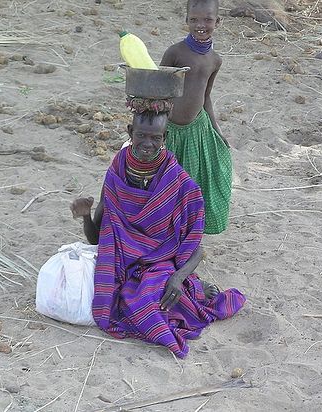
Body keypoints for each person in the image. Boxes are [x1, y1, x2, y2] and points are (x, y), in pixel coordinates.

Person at [71, 109, 245, 358]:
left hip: (163, 261)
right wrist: (86, 216)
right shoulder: (117, 172)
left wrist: (178, 277)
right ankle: (190, 290)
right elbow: (99, 240)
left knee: (153, 298)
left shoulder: (178, 181)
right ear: (130, 133)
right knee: (120, 298)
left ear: (166, 137)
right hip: (125, 263)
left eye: (156, 138)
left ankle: (189, 288)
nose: (148, 144)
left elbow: (196, 248)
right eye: (142, 135)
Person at [160, 0, 232, 235]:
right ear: (186, 21)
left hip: (196, 130)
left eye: (208, 19)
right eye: (194, 19)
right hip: (170, 131)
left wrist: (217, 131)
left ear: (218, 22)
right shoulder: (175, 53)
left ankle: (188, 230)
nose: (201, 25)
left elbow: (206, 97)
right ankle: (163, 229)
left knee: (198, 181)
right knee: (165, 184)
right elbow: (158, 90)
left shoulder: (215, 60)